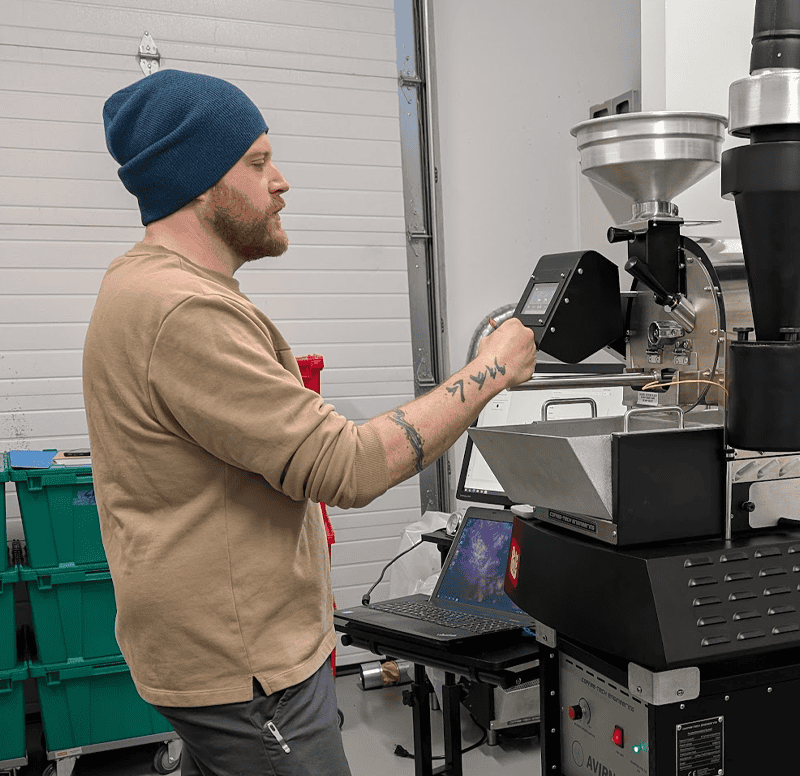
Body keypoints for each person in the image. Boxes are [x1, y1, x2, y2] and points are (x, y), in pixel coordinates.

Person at [82, 69, 536, 775]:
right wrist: (493, 369)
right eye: (257, 162)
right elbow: (348, 466)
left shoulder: (143, 285)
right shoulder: (184, 310)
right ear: (199, 184)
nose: (280, 181)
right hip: (245, 674)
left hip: (215, 655)